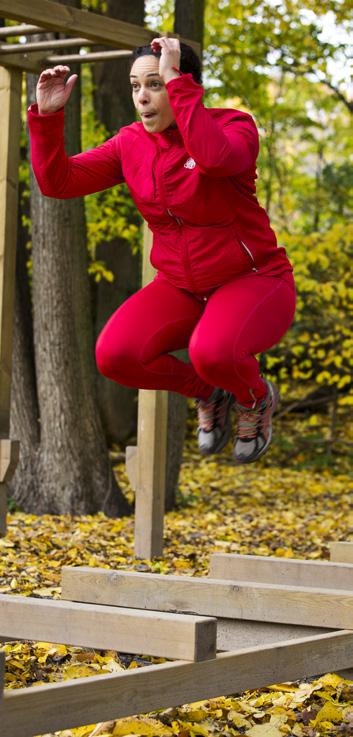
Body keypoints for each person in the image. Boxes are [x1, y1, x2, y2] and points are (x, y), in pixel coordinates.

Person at [28, 36, 296, 464]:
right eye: (136, 87)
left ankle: (255, 397)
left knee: (213, 353)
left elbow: (214, 159)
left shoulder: (234, 126)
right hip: (182, 287)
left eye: (155, 83)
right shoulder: (131, 144)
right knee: (115, 355)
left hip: (254, 280)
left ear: (182, 84)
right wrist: (48, 116)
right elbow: (58, 183)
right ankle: (210, 394)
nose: (142, 97)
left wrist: (175, 79)